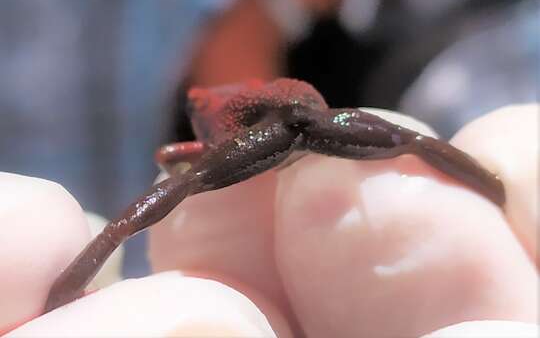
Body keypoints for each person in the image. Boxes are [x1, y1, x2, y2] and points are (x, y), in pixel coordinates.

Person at [2, 104, 537, 337]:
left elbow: (175, 160)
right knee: (413, 145)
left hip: (293, 126)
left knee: (413, 146)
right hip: (286, 127)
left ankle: (499, 194)